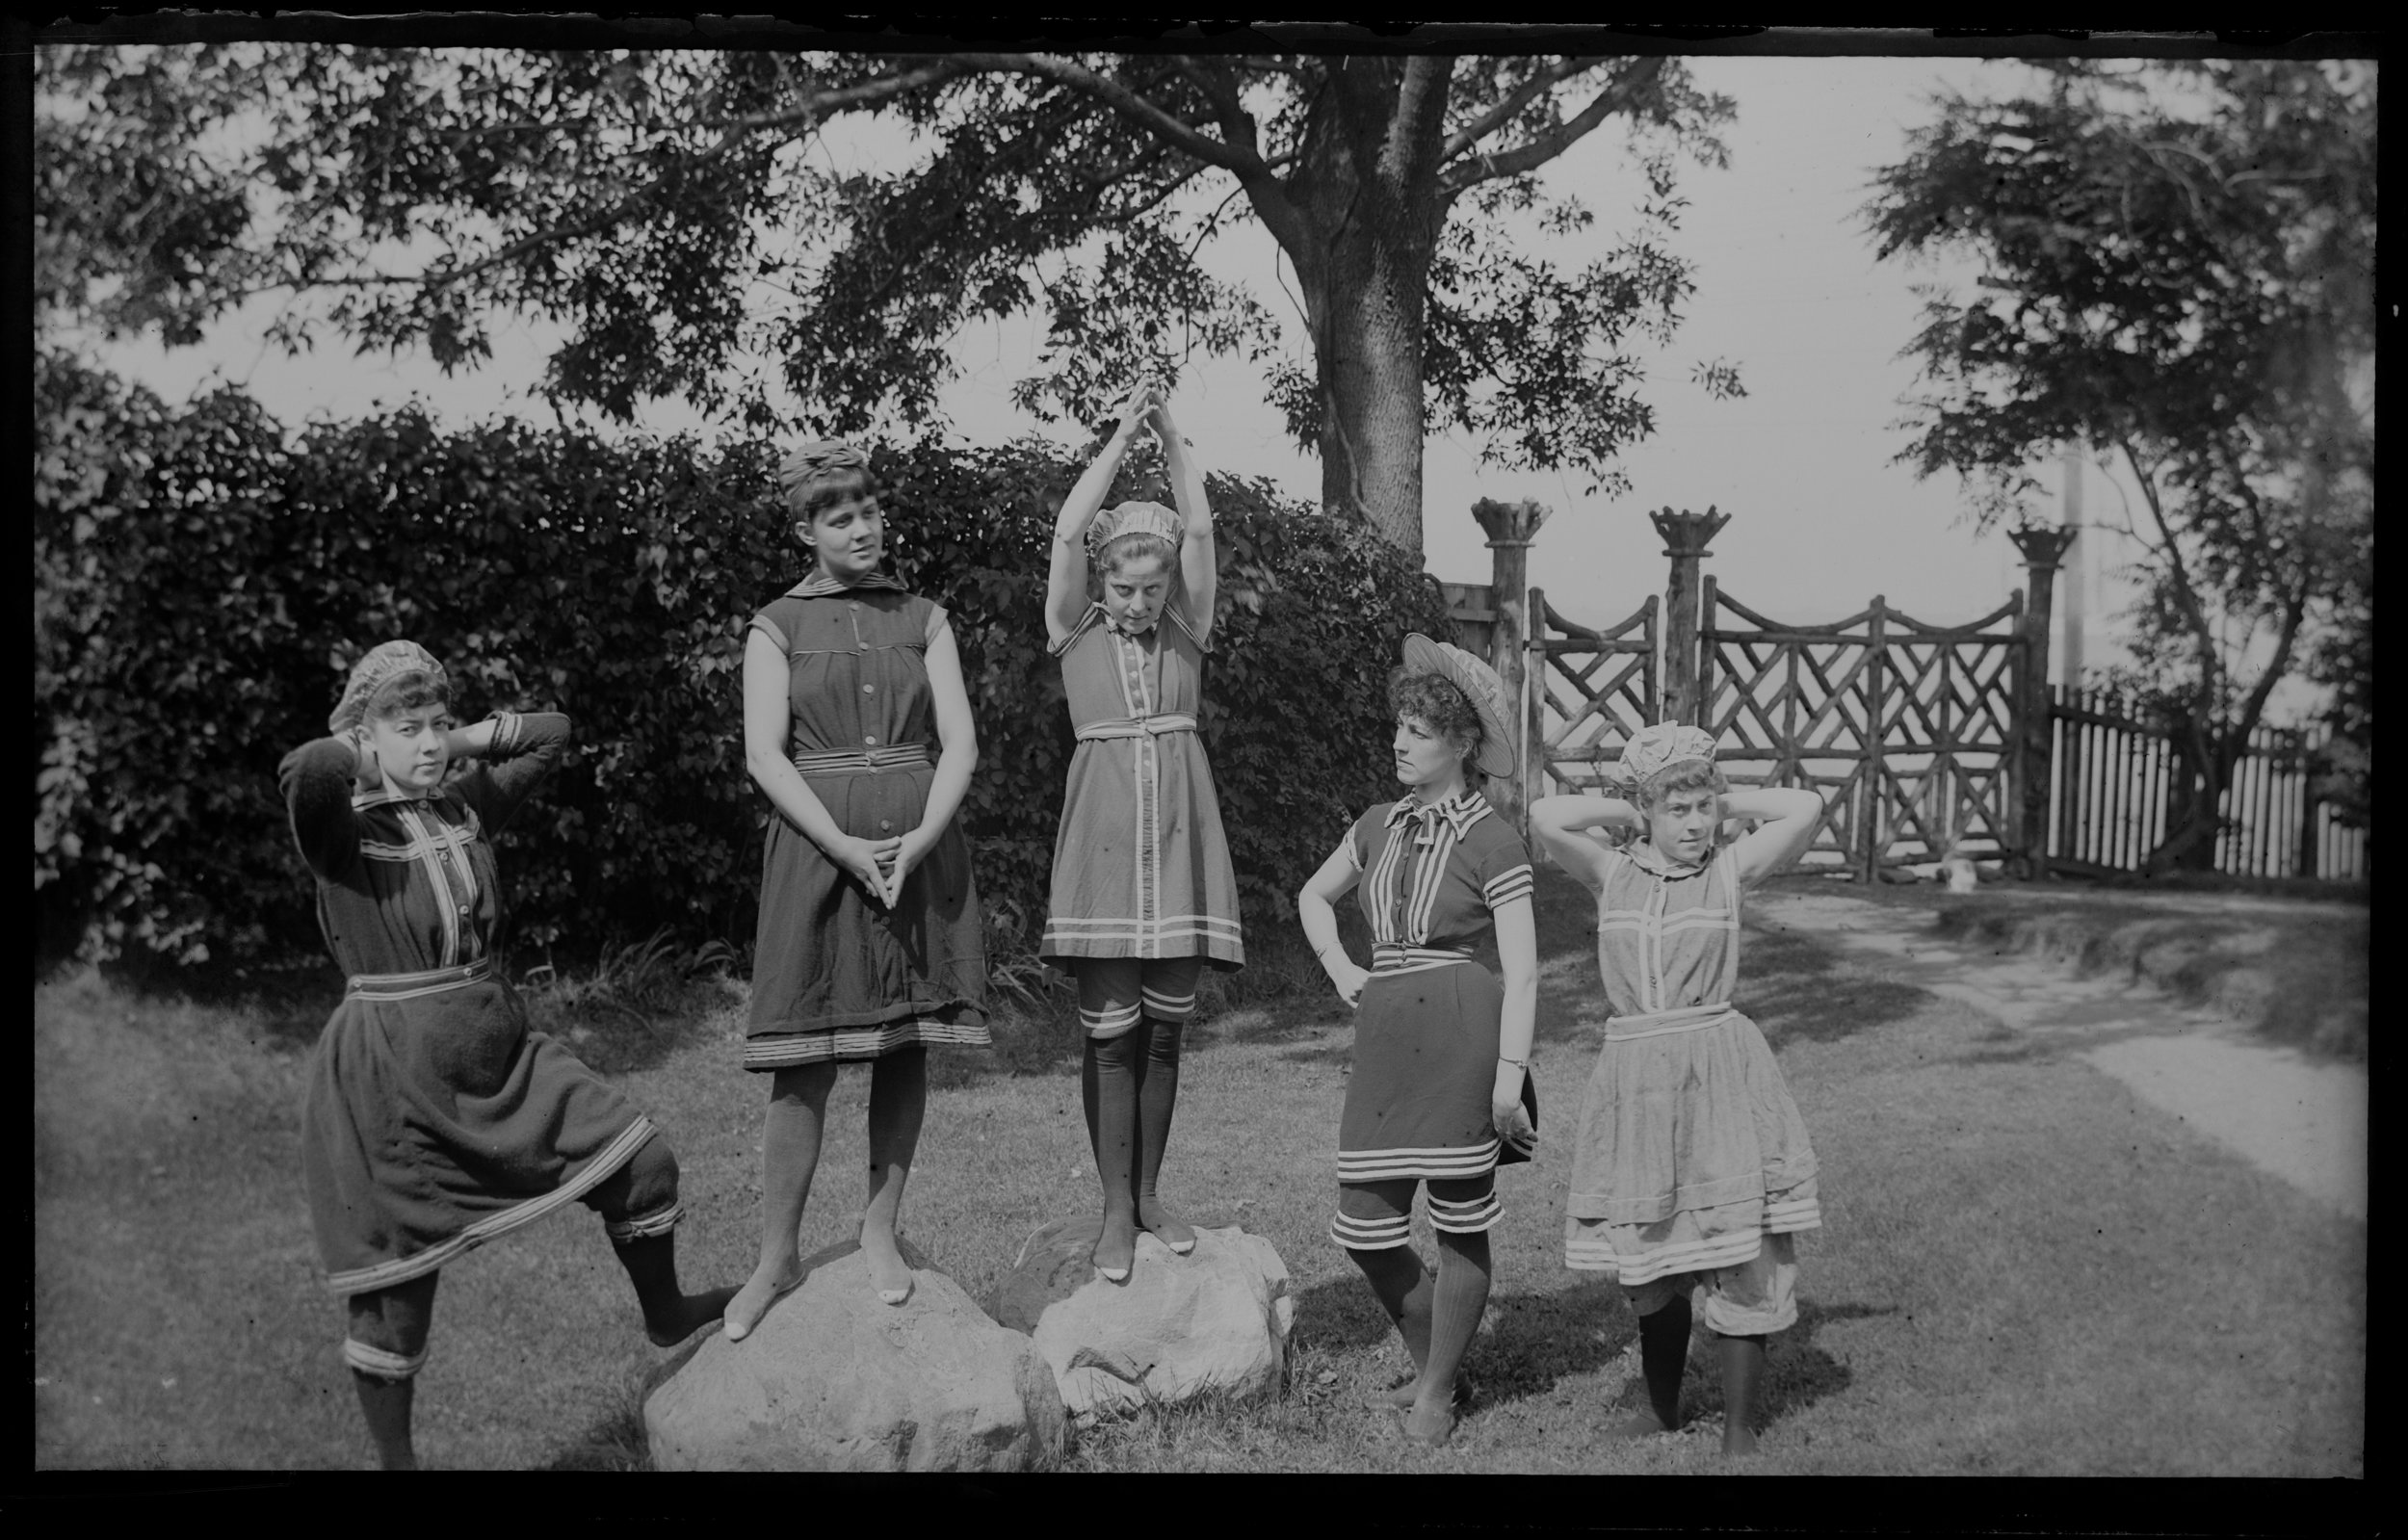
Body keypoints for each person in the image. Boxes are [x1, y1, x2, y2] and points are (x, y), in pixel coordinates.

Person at [279, 641, 733, 1471]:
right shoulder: (339, 839)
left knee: (643, 1162)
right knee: (397, 1285)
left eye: (436, 724)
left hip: (502, 1049)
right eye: (404, 727)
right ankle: (397, 1464)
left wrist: (447, 745)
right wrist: (364, 745)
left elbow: (550, 734)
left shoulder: (466, 807)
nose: (426, 742)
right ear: (364, 736)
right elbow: (308, 769)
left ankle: (665, 1312)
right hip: (392, 1072)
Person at [723, 441, 990, 1339]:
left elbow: (959, 743)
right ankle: (776, 1257)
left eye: (870, 509)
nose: (863, 527)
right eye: (840, 516)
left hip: (919, 848)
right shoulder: (775, 625)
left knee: (903, 1039)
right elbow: (766, 753)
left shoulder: (925, 615)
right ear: (806, 530)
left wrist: (918, 841)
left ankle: (881, 1228)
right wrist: (842, 842)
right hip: (815, 851)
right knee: (802, 1056)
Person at [1529, 723, 1827, 1458]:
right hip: (1637, 1081)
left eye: (1703, 809)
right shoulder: (1611, 873)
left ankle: (1738, 1426)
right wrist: (1631, 812)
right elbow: (1543, 816)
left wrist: (1722, 797)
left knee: (1736, 1241)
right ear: (1647, 813)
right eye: (1678, 810)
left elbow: (1807, 806)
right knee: (1656, 1252)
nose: (1695, 824)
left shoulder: (1726, 872)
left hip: (1717, 1072)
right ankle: (1661, 1409)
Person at [1296, 635, 1539, 1449]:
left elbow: (1527, 970)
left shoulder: (1494, 839)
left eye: (1420, 730)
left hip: (1466, 1030)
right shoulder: (1376, 825)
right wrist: (1339, 966)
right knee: (1365, 1226)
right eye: (1398, 725)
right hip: (1387, 1031)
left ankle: (1436, 1388)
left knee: (1460, 1219)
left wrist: (1509, 1079)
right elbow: (1312, 896)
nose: (1400, 742)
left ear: (1464, 743)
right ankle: (1441, 1358)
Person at [1041, 381, 1244, 1282]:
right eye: (1123, 587)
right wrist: (1122, 437)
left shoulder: (1187, 631)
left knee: (1166, 1030)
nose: (1136, 603)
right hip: (1105, 846)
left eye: (1150, 588)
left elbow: (1198, 532)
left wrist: (1175, 441)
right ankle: (1115, 1210)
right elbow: (1061, 535)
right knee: (1109, 1033)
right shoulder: (1074, 633)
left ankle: (1152, 1193)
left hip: (1180, 840)